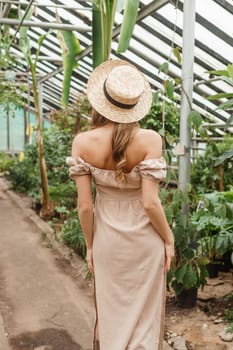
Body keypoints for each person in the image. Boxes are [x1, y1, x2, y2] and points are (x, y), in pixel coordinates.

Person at [66, 59, 174, 350]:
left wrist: (90, 245)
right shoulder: (150, 139)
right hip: (144, 240)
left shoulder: (83, 142)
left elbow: (85, 207)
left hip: (108, 240)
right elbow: (150, 203)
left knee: (112, 315)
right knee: (144, 319)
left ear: (101, 102)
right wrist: (168, 238)